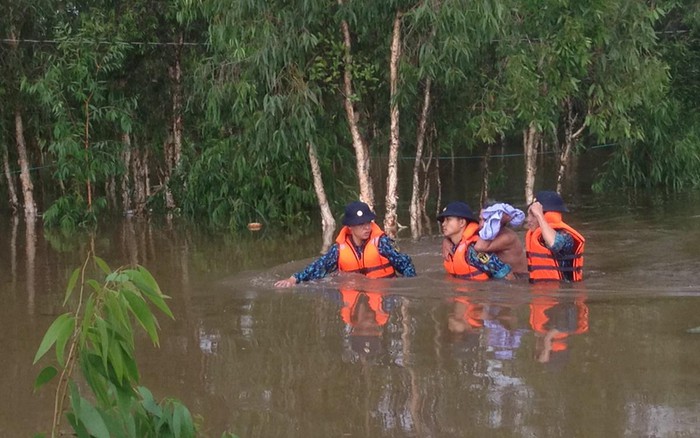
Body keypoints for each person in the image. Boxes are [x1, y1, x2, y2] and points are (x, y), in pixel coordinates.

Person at [274, 201, 416, 287]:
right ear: (350, 227)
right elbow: (319, 266)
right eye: (361, 224)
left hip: (383, 292)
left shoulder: (381, 243)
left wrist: (407, 286)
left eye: (368, 222)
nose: (367, 227)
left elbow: (405, 264)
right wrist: (294, 279)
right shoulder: (339, 249)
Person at [439, 201, 511, 280]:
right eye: (443, 220)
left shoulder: (473, 249)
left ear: (462, 222)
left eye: (448, 219)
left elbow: (506, 276)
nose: (443, 224)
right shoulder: (452, 246)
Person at [525, 191, 585, 283]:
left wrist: (539, 216)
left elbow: (555, 244)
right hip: (541, 291)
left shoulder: (566, 237)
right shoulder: (537, 238)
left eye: (533, 215)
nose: (528, 219)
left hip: (563, 293)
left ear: (546, 215)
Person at [473, 202, 529, 278]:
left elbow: (478, 247)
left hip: (519, 279)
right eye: (480, 219)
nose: (481, 224)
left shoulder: (508, 237)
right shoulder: (491, 235)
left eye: (486, 220)